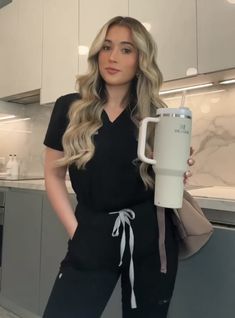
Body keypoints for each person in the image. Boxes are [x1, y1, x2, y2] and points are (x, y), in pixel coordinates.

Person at [42, 16, 194, 318]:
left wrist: (178, 168)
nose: (112, 57)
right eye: (107, 47)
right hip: (91, 234)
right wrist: (77, 231)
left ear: (141, 59)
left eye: (126, 49)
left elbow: (162, 176)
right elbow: (53, 174)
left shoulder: (156, 114)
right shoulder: (69, 106)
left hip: (151, 239)